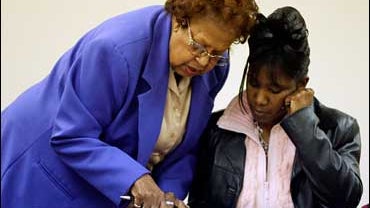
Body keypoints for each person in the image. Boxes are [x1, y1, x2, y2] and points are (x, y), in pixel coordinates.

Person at [1, 1, 259, 207]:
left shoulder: (215, 68)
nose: (205, 61)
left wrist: (167, 198)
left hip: (102, 182)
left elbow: (184, 148)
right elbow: (73, 136)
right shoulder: (115, 50)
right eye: (199, 47)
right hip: (43, 168)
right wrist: (136, 180)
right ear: (178, 21)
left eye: (217, 52)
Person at [188, 6, 363, 208]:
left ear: (301, 85)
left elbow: (345, 200)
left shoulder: (339, 128)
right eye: (254, 83)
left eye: (275, 89)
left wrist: (306, 130)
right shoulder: (215, 130)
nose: (260, 99)